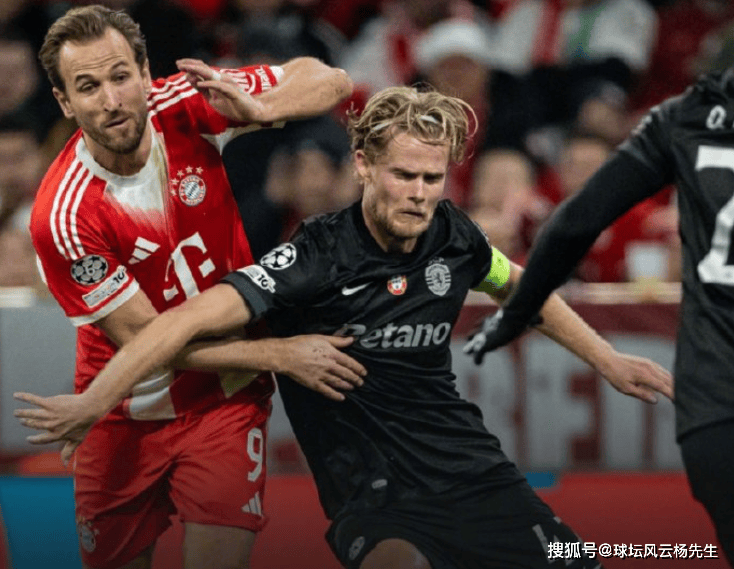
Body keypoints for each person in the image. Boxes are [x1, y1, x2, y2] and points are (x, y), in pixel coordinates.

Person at [16, 86, 673, 569]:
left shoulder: (455, 234)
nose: (420, 193)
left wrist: (609, 361)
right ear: (362, 165)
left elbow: (522, 289)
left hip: (474, 475)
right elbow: (182, 324)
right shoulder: (313, 256)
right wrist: (97, 401)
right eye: (403, 175)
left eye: (433, 178)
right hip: (371, 494)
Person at [25, 4, 361, 569]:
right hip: (124, 413)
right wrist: (280, 354)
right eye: (87, 87)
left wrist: (264, 106)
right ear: (64, 102)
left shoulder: (184, 103)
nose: (111, 100)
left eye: (120, 76)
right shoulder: (64, 216)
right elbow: (151, 342)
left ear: (144, 72)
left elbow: (331, 79)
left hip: (225, 400)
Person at [464, 68, 734, 565]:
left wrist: (515, 315)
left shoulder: (680, 129)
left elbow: (560, 240)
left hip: (711, 407)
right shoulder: (520, 216)